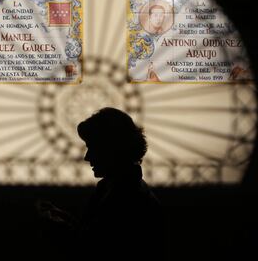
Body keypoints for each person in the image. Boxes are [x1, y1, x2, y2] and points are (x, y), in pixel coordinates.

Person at [37, 107, 166, 259]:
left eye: (92, 148)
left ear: (111, 149)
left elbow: (97, 248)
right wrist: (69, 222)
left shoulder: (127, 198)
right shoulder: (121, 190)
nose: (87, 157)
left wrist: (63, 230)